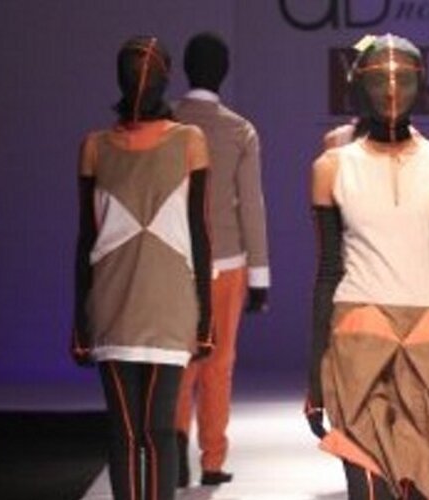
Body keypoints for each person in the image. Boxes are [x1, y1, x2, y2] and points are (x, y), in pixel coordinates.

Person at [306, 33, 429, 500]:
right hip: (359, 332)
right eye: (378, 81)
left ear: (421, 86)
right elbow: (328, 270)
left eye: (404, 80)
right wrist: (314, 377)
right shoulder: (331, 167)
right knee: (369, 488)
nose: (391, 92)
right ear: (359, 86)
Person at [71, 36, 213, 500]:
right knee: (128, 431)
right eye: (132, 72)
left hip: (169, 303)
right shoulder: (94, 146)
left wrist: (206, 318)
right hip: (113, 303)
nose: (140, 80)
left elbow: (200, 233)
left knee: (154, 429)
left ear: (165, 79)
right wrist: (79, 322)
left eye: (148, 73)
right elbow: (86, 239)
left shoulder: (189, 141)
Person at [169, 32, 269, 488]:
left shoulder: (166, 123)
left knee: (178, 361)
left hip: (174, 262)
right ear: (224, 71)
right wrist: (261, 275)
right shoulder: (238, 129)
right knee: (218, 364)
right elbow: (250, 205)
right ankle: (212, 459)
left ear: (185, 68)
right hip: (227, 262)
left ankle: (175, 452)